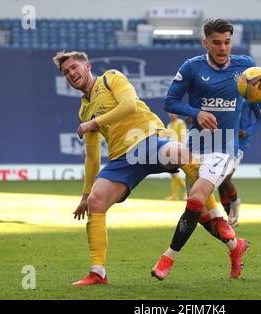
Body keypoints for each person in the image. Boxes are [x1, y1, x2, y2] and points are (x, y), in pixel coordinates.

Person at [52, 50, 234, 286]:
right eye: (66, 72)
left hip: (148, 139)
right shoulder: (84, 109)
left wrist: (95, 122)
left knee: (183, 154)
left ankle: (216, 216)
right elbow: (92, 157)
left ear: (87, 66)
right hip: (121, 160)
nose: (71, 73)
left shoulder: (111, 78)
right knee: (97, 201)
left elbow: (128, 105)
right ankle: (98, 273)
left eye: (74, 67)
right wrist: (85, 195)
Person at [152, 19, 261, 281]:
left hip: (225, 147)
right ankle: (235, 246)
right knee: (200, 214)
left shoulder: (245, 65)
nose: (223, 48)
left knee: (196, 198)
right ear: (205, 42)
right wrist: (196, 112)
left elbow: (260, 88)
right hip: (196, 146)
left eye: (227, 42)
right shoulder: (192, 67)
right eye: (217, 42)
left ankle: (167, 258)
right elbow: (170, 101)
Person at [218, 101, 261, 227]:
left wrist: (247, 131)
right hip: (223, 140)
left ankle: (235, 201)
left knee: (226, 178)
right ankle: (230, 219)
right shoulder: (227, 91)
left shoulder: (249, 96)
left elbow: (259, 119)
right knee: (220, 182)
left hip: (240, 144)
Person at [165, 113, 188, 201]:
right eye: (170, 113)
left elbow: (183, 136)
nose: (172, 115)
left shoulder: (180, 123)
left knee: (173, 172)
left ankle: (186, 192)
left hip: (178, 149)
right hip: (171, 149)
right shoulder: (169, 125)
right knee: (173, 172)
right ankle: (175, 195)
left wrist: (182, 148)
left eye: (173, 113)